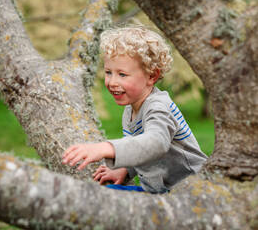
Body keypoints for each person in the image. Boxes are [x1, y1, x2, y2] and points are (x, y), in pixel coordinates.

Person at [62, 26, 207, 193]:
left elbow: (155, 143)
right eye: (108, 72)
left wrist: (106, 148)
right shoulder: (130, 110)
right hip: (161, 191)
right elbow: (143, 151)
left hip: (192, 191)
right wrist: (126, 170)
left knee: (100, 198)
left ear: (151, 76)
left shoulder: (158, 107)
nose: (112, 82)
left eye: (122, 74)